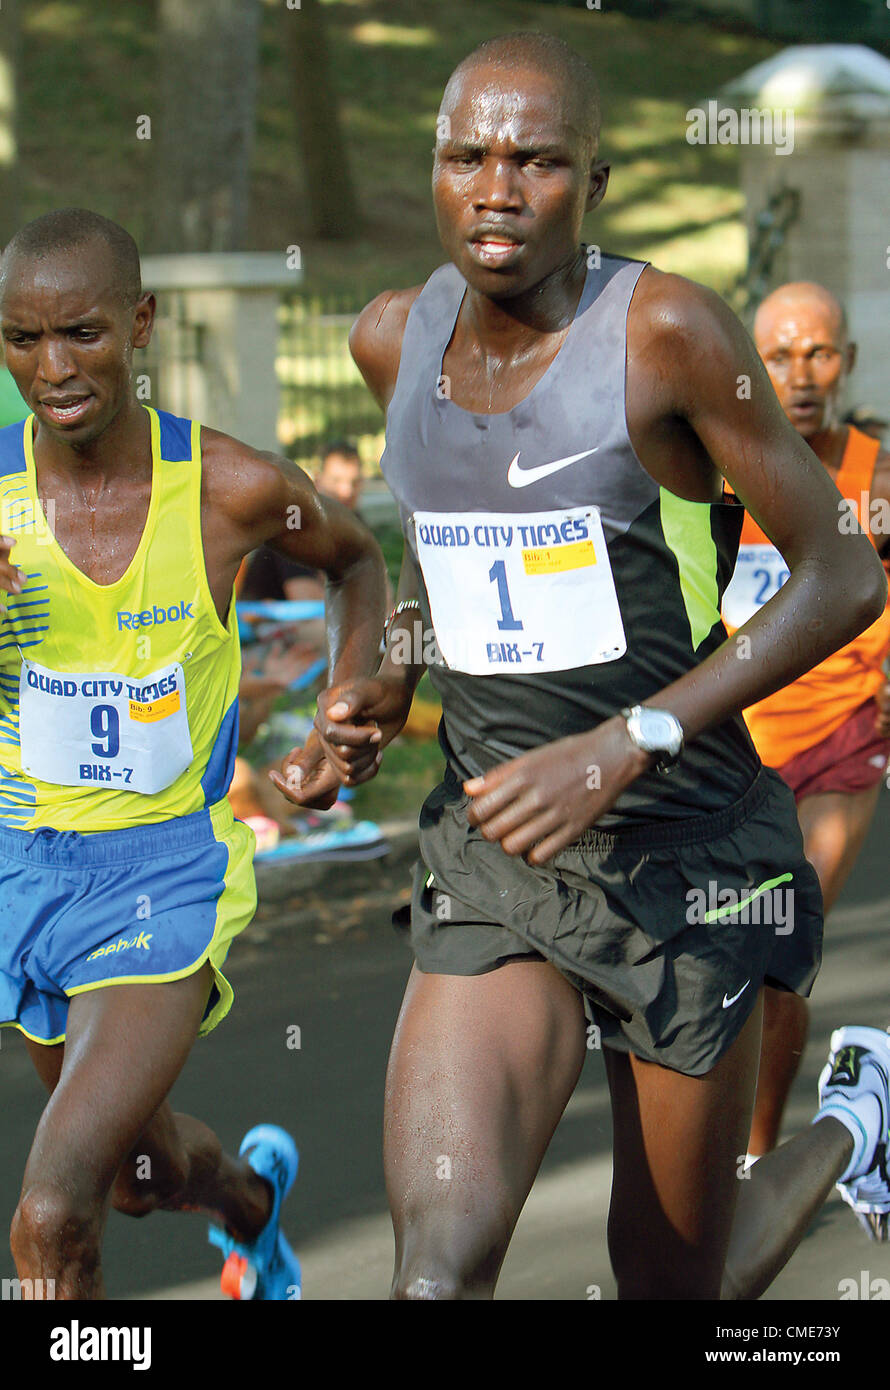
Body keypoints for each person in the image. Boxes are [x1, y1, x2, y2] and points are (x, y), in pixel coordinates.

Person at [287, 32, 889, 1299]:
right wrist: (396, 661)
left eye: (535, 160)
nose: (496, 188)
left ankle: (852, 1127)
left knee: (675, 1283)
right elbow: (439, 566)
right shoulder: (392, 339)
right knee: (432, 1281)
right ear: (433, 168)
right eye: (467, 156)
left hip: (682, 852)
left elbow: (841, 573)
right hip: (497, 849)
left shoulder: (664, 332)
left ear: (594, 183)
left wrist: (628, 742)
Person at [0, 208, 387, 1299]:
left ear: (141, 324)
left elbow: (358, 562)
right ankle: (250, 1210)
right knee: (133, 1174)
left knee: (49, 1212)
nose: (53, 366)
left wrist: (344, 702)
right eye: (23, 340)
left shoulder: (230, 487)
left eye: (80, 332)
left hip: (164, 870)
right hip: (23, 864)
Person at [722, 282, 890, 1162]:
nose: (800, 373)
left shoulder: (877, 480)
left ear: (849, 361)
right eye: (779, 355)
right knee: (715, 954)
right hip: (728, 750)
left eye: (819, 351)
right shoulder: (719, 470)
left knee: (783, 935)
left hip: (840, 739)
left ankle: (754, 1158)